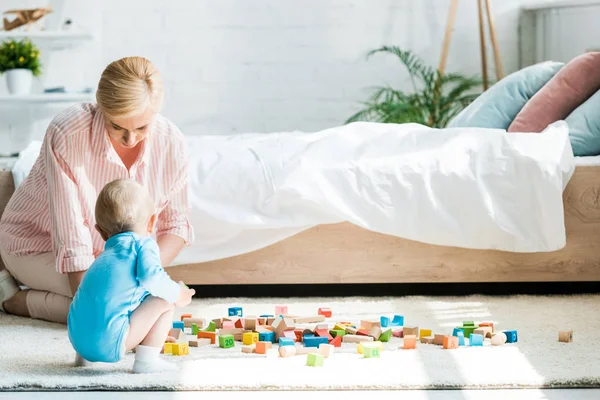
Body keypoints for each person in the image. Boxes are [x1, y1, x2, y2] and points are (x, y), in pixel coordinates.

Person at [0, 56, 194, 324]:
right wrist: (99, 301)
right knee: (114, 311)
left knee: (131, 305)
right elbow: (71, 234)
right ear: (101, 107)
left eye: (141, 127)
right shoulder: (68, 132)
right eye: (117, 126)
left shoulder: (172, 142)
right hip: (34, 244)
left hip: (108, 258)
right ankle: (16, 301)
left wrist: (143, 271)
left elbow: (176, 224)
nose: (130, 139)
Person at [69, 179, 195, 373]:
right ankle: (146, 362)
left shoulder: (102, 259)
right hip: (110, 345)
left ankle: (84, 360)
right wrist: (179, 294)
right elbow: (152, 278)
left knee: (109, 302)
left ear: (101, 232)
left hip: (78, 342)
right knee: (165, 301)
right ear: (152, 222)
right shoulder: (143, 244)